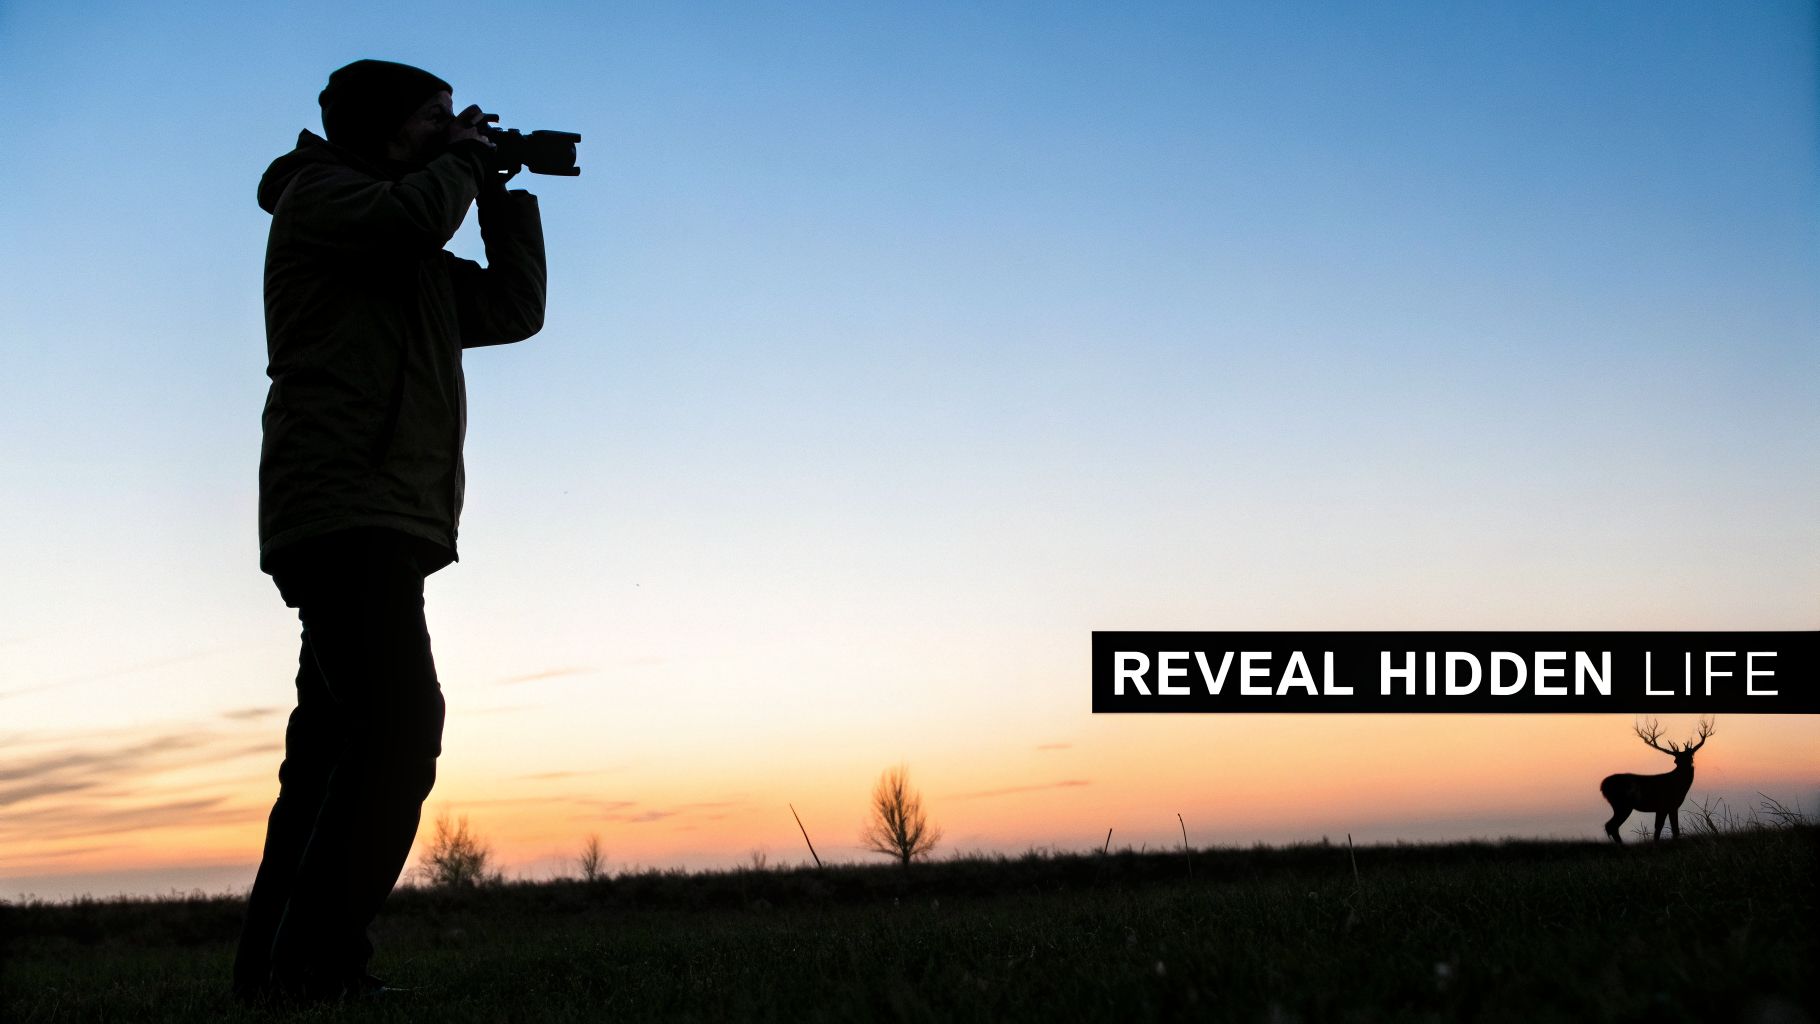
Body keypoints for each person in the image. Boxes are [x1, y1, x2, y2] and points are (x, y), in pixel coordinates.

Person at [234, 58, 547, 1003]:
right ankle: (320, 964)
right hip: (341, 506)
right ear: (381, 126)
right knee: (404, 727)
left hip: (380, 509)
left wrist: (498, 194)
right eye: (434, 118)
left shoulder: (404, 243)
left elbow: (510, 312)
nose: (450, 132)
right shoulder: (321, 199)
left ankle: (273, 971)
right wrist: (459, 167)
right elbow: (410, 216)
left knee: (329, 752)